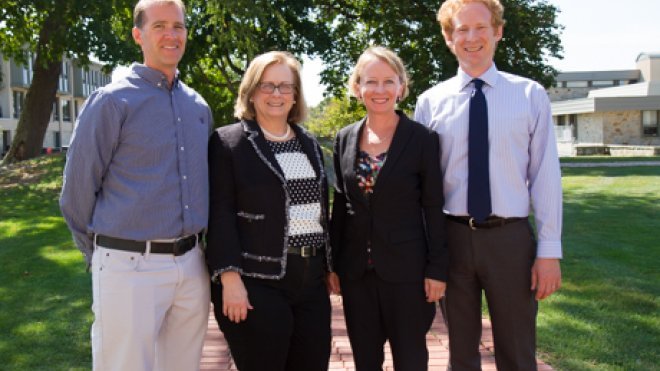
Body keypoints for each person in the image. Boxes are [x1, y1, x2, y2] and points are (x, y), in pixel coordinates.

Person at [59, 0, 212, 369]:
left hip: (192, 266)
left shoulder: (198, 107)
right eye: (159, 26)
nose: (171, 35)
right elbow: (76, 195)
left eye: (178, 26)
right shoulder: (112, 101)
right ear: (138, 35)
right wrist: (102, 259)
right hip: (128, 268)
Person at [414, 1, 563, 370]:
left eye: (481, 27)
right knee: (461, 355)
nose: (472, 37)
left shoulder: (530, 96)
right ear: (449, 38)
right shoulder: (430, 103)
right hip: (452, 241)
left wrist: (549, 251)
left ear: (498, 31)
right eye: (461, 29)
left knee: (517, 351)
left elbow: (546, 177)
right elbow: (421, 185)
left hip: (510, 241)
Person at [206, 51, 332, 371]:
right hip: (257, 281)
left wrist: (329, 266)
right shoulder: (228, 142)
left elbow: (318, 211)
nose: (277, 94)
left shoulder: (308, 143)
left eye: (285, 87)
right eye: (267, 85)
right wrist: (229, 279)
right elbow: (220, 214)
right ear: (251, 91)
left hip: (311, 282)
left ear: (295, 95)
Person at [329, 46, 448, 371]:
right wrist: (333, 263)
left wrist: (437, 268)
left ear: (401, 86)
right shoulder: (344, 138)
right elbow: (341, 204)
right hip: (356, 275)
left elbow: (433, 206)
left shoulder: (422, 139)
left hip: (407, 274)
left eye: (388, 81)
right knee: (366, 361)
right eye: (370, 82)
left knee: (411, 361)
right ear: (357, 88)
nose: (379, 90)